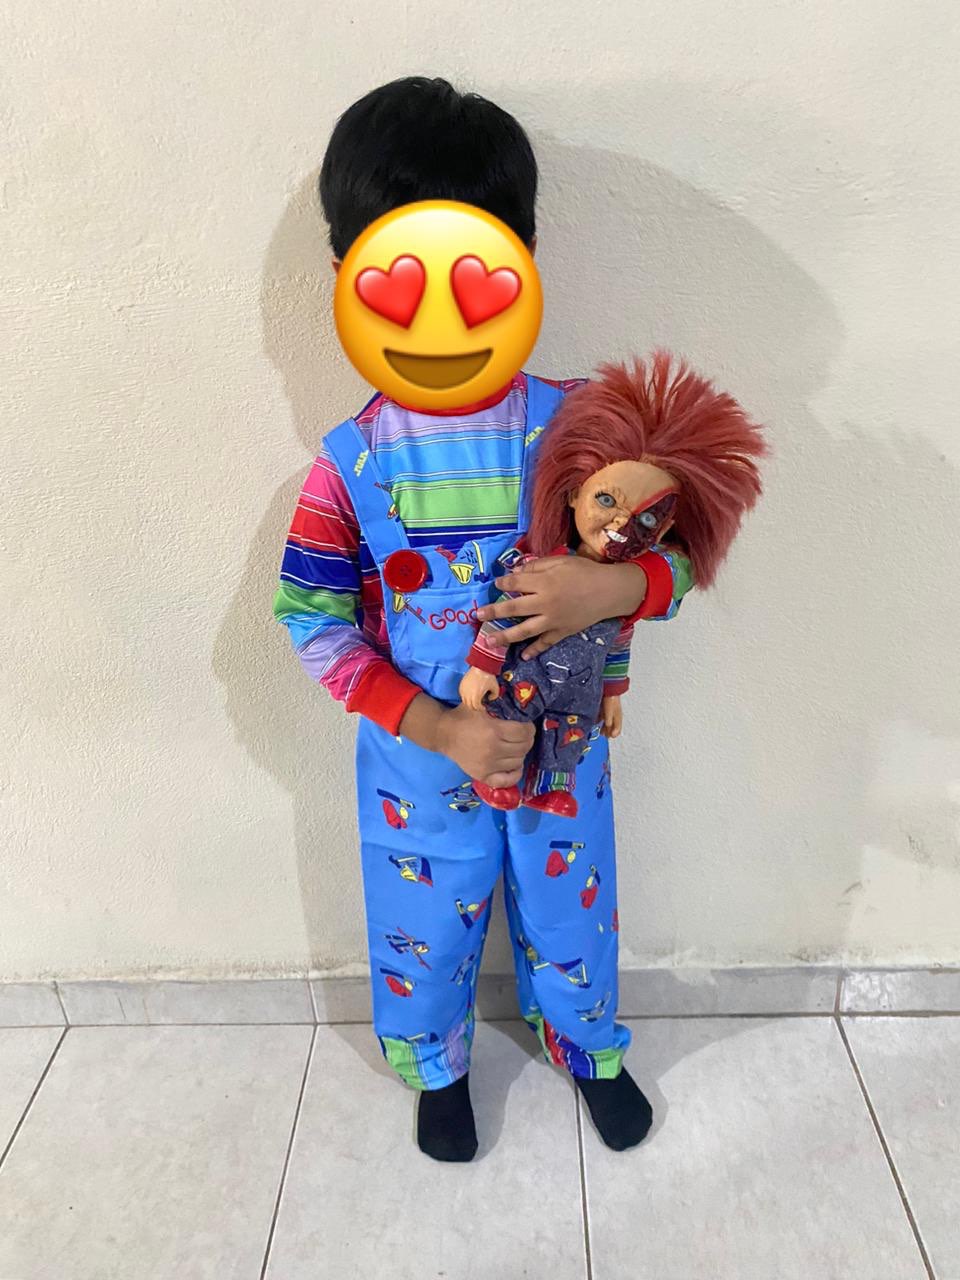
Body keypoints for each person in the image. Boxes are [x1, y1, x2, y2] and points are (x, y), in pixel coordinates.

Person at [272, 76, 695, 1162]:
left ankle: (589, 1046)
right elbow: (313, 620)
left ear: (523, 261)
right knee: (427, 919)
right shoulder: (348, 464)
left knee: (572, 911)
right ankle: (439, 1067)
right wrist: (438, 726)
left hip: (564, 744)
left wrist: (611, 589)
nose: (439, 314)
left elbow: (684, 550)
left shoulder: (588, 428)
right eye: (400, 278)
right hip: (420, 756)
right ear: (349, 279)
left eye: (473, 273)